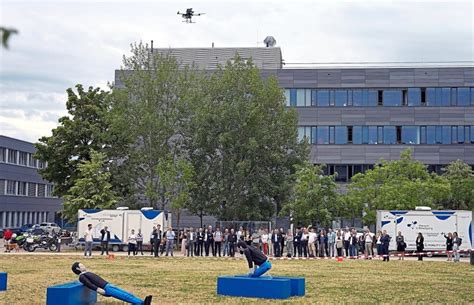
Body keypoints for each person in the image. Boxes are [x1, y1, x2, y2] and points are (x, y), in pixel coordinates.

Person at [71, 262, 152, 305]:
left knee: (125, 293)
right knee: (124, 296)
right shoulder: (82, 276)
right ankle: (139, 303)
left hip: (108, 285)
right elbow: (88, 284)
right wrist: (98, 289)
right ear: (78, 268)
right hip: (106, 288)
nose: (83, 265)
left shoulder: (86, 273)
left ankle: (140, 302)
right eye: (81, 265)